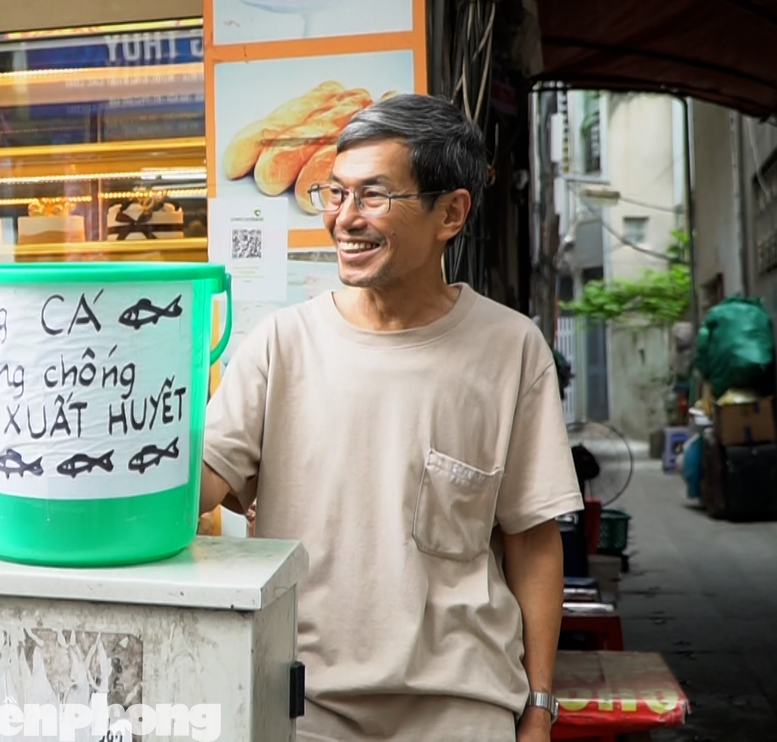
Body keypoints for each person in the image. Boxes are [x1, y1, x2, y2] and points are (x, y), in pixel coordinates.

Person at [201, 93, 584, 741]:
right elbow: (196, 488)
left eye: (373, 196)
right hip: (306, 704)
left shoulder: (512, 348)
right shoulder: (280, 344)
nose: (345, 219)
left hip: (463, 705)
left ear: (450, 213)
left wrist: (539, 708)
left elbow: (532, 538)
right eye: (335, 193)